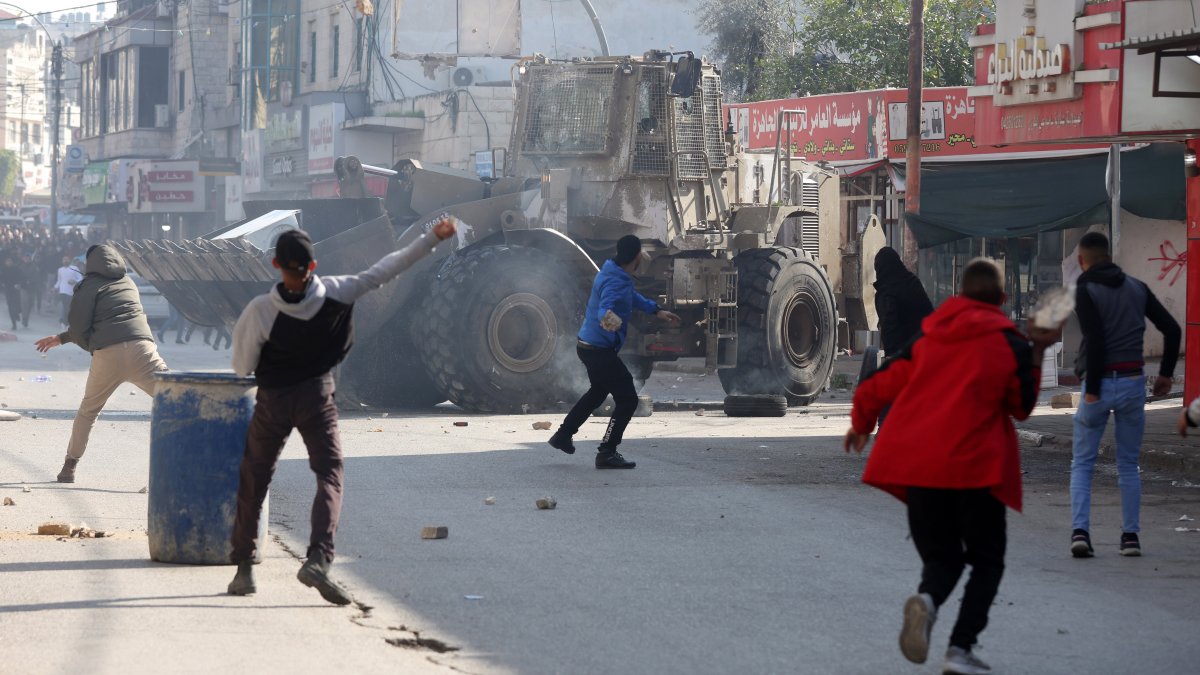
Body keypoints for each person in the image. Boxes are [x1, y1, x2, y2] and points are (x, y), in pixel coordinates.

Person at [844, 258, 1061, 675]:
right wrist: (1036, 352)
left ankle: (927, 602)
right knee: (987, 560)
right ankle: (960, 649)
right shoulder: (1009, 344)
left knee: (944, 559)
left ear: (959, 295)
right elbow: (1021, 407)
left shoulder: (928, 338)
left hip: (920, 471)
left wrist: (861, 424)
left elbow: (881, 381)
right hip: (975, 472)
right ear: (1001, 298)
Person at [225, 220, 456, 604]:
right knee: (329, 476)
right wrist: (431, 238)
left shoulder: (259, 310)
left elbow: (241, 366)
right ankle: (318, 559)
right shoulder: (338, 291)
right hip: (316, 397)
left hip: (274, 400)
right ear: (313, 266)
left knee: (255, 477)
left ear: (275, 265)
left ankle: (244, 570)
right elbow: (389, 267)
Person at [1069, 232, 1180, 558]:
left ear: (1082, 261)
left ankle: (1080, 533)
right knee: (1129, 464)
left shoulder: (1085, 289)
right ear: (1109, 256)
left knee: (1083, 463)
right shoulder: (1137, 287)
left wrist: (1091, 390)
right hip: (1132, 383)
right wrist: (1165, 374)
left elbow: (1095, 339)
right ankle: (1130, 538)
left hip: (1099, 384)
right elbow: (1172, 330)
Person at [35, 244, 169, 483]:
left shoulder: (87, 285)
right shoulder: (128, 282)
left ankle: (69, 467)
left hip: (108, 354)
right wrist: (62, 338)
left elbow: (79, 327)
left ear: (90, 263)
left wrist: (90, 345)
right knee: (175, 398)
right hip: (143, 350)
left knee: (88, 411)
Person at [548, 235, 680, 469]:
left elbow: (631, 297)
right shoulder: (616, 280)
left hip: (587, 345)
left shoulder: (612, 271)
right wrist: (611, 323)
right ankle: (607, 452)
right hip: (599, 350)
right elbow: (604, 309)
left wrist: (656, 310)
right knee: (628, 399)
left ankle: (563, 435)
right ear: (638, 256)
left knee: (598, 392)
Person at [873, 246, 933, 355]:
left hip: (907, 353)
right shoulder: (913, 282)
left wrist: (891, 357)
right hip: (929, 345)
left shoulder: (886, 292)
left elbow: (889, 327)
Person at [53, 256, 83, 328]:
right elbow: (59, 280)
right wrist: (55, 287)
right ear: (62, 261)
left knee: (68, 307)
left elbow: (80, 278)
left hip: (71, 292)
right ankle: (64, 322)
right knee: (65, 306)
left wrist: (74, 281)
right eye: (64, 260)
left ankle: (65, 321)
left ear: (70, 260)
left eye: (67, 259)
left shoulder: (74, 268)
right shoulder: (60, 270)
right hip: (63, 291)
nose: (65, 261)